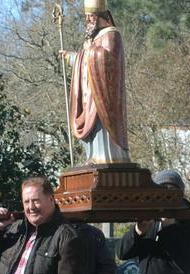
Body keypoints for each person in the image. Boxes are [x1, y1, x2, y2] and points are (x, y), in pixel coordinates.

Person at [62, 0, 129, 164]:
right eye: (86, 17)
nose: (88, 21)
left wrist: (86, 53)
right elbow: (86, 60)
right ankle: (92, 157)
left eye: (91, 17)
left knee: (102, 128)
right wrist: (73, 57)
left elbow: (107, 60)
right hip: (90, 94)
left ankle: (109, 157)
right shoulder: (94, 38)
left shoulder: (111, 34)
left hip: (105, 96)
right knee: (91, 127)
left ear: (100, 17)